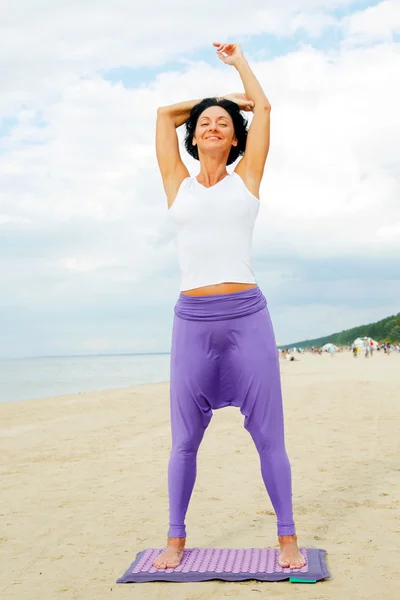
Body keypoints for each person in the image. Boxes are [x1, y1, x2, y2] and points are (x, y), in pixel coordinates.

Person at [153, 42, 306, 571]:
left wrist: (240, 77)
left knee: (268, 435)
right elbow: (162, 115)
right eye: (204, 123)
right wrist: (215, 100)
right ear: (192, 137)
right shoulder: (177, 183)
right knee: (185, 440)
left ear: (236, 137)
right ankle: (174, 539)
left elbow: (264, 109)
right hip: (192, 324)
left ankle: (287, 536)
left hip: (247, 319)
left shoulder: (248, 178)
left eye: (222, 122)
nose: (213, 126)